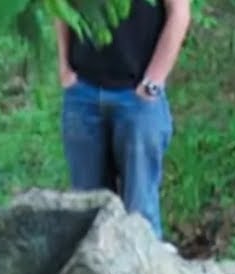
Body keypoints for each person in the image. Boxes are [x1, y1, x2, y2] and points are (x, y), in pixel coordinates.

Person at [55, 0, 191, 245]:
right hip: (83, 92)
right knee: (85, 213)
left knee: (140, 213)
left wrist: (153, 82)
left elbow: (179, 13)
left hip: (138, 98)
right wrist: (64, 68)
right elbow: (59, 6)